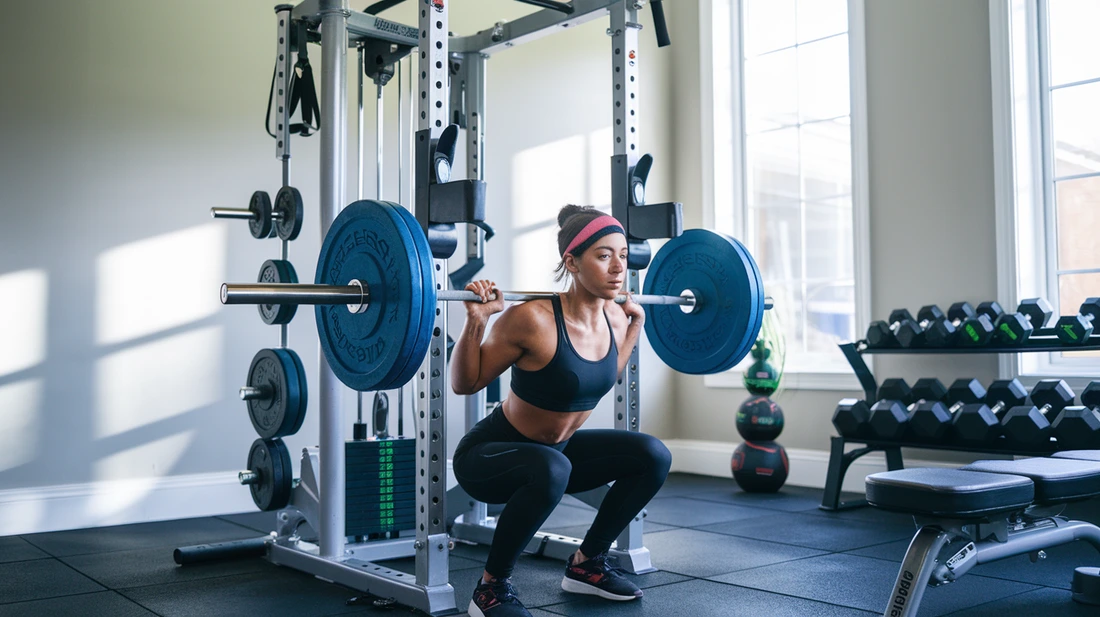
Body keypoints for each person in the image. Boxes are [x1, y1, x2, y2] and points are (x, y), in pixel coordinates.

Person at [450, 205, 673, 617]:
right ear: (571, 261)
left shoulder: (614, 316)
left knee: (653, 455)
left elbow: (604, 375)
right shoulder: (531, 319)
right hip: (491, 456)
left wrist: (635, 327)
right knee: (552, 467)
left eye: (623, 255)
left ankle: (587, 564)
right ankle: (490, 588)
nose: (618, 267)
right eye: (603, 255)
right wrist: (477, 321)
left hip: (558, 454)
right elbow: (465, 384)